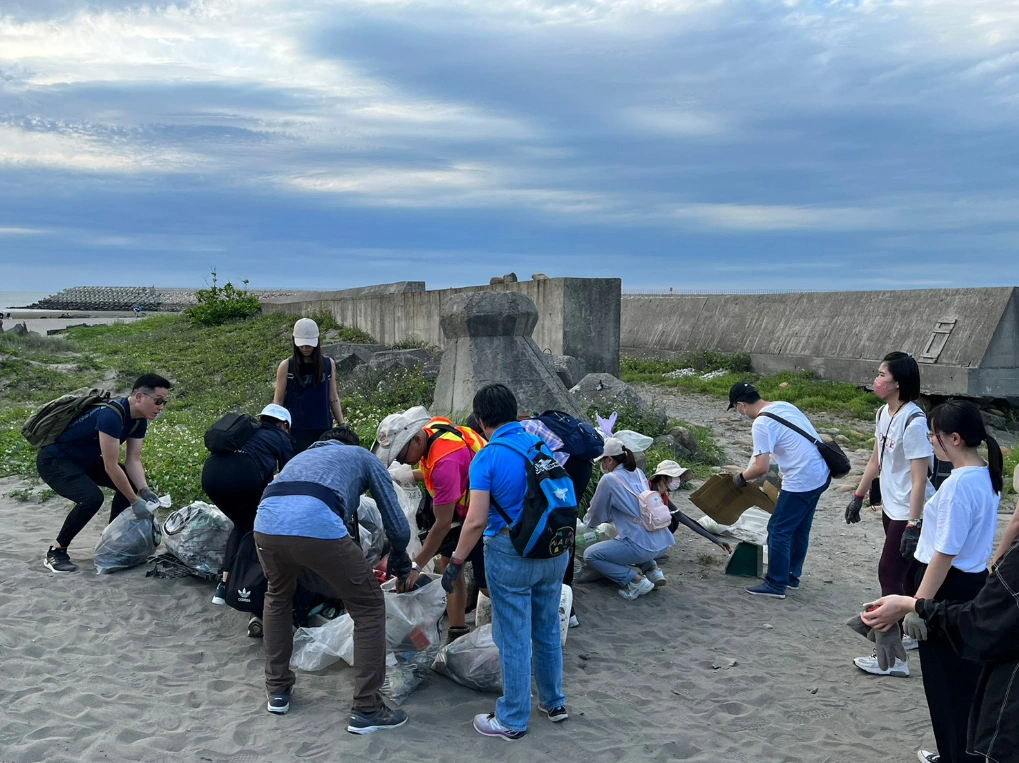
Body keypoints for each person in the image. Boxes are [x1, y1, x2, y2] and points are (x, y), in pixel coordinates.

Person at [862, 400, 1003, 763]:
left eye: (934, 435)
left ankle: (956, 755)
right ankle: (956, 752)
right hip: (968, 584)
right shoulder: (987, 474)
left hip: (946, 584)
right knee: (962, 683)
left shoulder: (959, 485)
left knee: (945, 687)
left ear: (953, 439)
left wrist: (916, 606)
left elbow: (945, 552)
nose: (930, 441)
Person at [252, 426, 414, 733]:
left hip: (265, 524)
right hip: (315, 523)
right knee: (368, 606)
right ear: (350, 444)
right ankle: (367, 708)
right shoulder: (361, 456)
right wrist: (400, 554)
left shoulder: (301, 457)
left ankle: (277, 690)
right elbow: (396, 521)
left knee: (278, 596)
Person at [443, 384, 572, 740]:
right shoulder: (539, 445)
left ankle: (513, 718)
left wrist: (456, 563)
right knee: (545, 628)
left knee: (513, 636)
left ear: (481, 420)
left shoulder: (487, 457)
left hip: (511, 553)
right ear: (515, 413)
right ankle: (554, 702)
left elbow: (476, 520)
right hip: (554, 549)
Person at [846, 352, 935, 676]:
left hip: (911, 510)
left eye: (882, 375)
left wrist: (913, 523)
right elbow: (876, 460)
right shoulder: (884, 413)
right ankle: (909, 635)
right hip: (891, 506)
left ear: (898, 383)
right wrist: (859, 494)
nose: (877, 379)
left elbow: (919, 478)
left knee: (889, 573)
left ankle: (892, 658)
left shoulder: (914, 421)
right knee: (908, 574)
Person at [372, 406, 488, 644]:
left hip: (485, 511)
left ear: (415, 440)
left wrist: (416, 566)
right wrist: (409, 474)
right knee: (448, 564)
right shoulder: (432, 428)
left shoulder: (445, 462)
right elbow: (441, 471)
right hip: (463, 503)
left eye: (401, 456)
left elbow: (443, 523)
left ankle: (524, 626)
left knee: (487, 585)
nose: (400, 461)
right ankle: (457, 631)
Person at [37, 374, 172, 573]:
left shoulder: (139, 420)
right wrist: (135, 502)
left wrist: (143, 491)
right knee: (91, 498)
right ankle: (56, 551)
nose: (161, 407)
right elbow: (110, 466)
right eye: (158, 401)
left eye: (164, 402)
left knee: (132, 483)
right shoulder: (111, 416)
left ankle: (112, 540)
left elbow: (133, 461)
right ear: (140, 397)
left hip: (85, 461)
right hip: (55, 460)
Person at [728, 382, 831, 599]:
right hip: (821, 473)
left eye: (737, 408)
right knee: (801, 528)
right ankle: (791, 576)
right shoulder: (783, 405)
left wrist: (740, 478)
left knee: (778, 529)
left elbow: (761, 467)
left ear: (741, 405)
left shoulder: (761, 423)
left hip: (801, 480)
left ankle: (776, 584)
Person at [203, 403, 294, 637]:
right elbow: (291, 473)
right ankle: (249, 585)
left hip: (211, 475)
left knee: (242, 523)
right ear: (284, 425)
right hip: (244, 476)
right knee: (257, 528)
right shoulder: (279, 436)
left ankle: (224, 585)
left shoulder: (247, 432)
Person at [516, 413, 594, 628]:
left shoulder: (521, 429)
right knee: (566, 526)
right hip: (583, 466)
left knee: (552, 525)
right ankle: (568, 602)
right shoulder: (537, 423)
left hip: (566, 464)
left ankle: (563, 605)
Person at [582, 438, 675, 597]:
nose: (602, 466)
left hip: (642, 546)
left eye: (602, 461)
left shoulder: (609, 479)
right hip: (662, 541)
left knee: (591, 555)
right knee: (625, 537)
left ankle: (635, 581)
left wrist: (586, 524)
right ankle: (652, 570)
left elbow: (596, 514)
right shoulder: (638, 473)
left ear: (610, 459)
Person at [273, 318, 345, 453]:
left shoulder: (328, 365)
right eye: (302, 345)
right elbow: (279, 399)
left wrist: (342, 424)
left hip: (323, 428)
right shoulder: (287, 366)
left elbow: (333, 397)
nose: (305, 348)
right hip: (297, 430)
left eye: (309, 345)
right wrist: (278, 425)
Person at [649, 459, 731, 554]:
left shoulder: (663, 496)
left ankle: (655, 548)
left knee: (673, 520)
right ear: (663, 477)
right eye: (675, 476)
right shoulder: (647, 489)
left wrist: (716, 540)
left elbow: (684, 519)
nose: (679, 480)